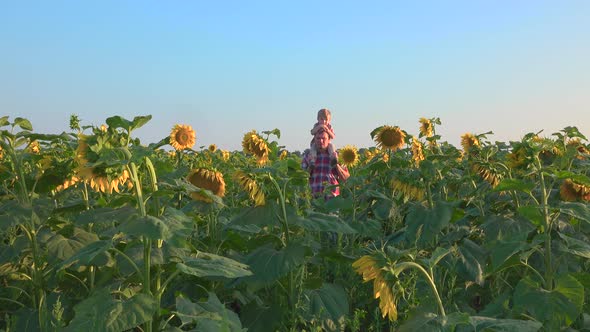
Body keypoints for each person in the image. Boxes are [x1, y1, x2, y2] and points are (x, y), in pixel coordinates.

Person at [301, 125, 350, 199]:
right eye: (318, 138)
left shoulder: (337, 155)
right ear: (314, 139)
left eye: (323, 138)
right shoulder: (308, 156)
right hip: (314, 199)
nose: (321, 141)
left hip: (332, 199)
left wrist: (336, 164)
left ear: (329, 140)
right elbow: (301, 179)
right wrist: (310, 167)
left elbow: (346, 178)